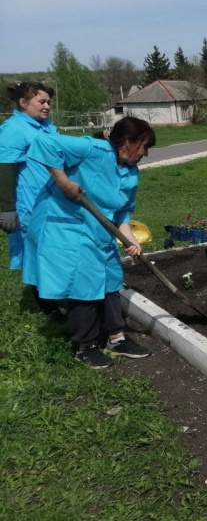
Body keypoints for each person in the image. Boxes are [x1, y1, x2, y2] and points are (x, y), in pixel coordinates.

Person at [22, 116, 156, 368]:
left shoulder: (130, 173)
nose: (146, 154)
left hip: (100, 232)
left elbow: (122, 213)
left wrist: (128, 238)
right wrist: (63, 183)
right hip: (68, 228)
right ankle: (85, 346)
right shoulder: (93, 150)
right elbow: (44, 143)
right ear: (128, 142)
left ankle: (116, 339)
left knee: (111, 280)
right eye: (144, 146)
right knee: (82, 285)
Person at [0, 81, 63, 318]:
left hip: (51, 201)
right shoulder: (14, 129)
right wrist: (6, 208)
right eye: (42, 102)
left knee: (54, 251)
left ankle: (58, 296)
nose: (47, 106)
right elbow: (4, 168)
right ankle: (49, 308)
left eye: (49, 102)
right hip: (30, 204)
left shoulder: (44, 126)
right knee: (37, 255)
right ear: (23, 103)